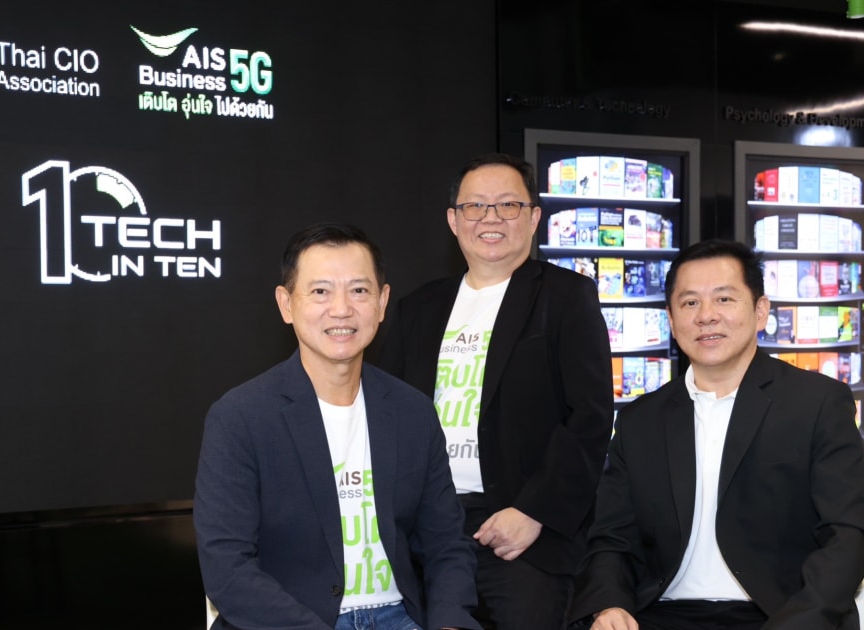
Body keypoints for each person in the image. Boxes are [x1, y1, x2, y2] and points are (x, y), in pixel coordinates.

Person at [568, 239, 864, 630]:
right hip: (660, 613)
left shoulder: (818, 403)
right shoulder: (640, 420)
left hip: (778, 614)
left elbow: (848, 537)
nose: (706, 316)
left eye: (724, 299)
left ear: (760, 311)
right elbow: (613, 539)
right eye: (690, 302)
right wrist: (609, 605)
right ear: (671, 319)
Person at [194, 223, 482, 630]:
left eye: (359, 290)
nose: (342, 309)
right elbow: (228, 569)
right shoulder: (240, 417)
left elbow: (447, 544)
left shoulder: (412, 412)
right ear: (286, 304)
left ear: (382, 303)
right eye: (320, 291)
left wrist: (450, 623)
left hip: (399, 616)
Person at [380, 153, 614, 629]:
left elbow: (590, 417)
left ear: (534, 218)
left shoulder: (566, 296)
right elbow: (390, 416)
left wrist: (534, 512)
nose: (490, 218)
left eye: (508, 205)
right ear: (453, 220)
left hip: (522, 533)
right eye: (475, 206)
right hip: (430, 529)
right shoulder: (418, 308)